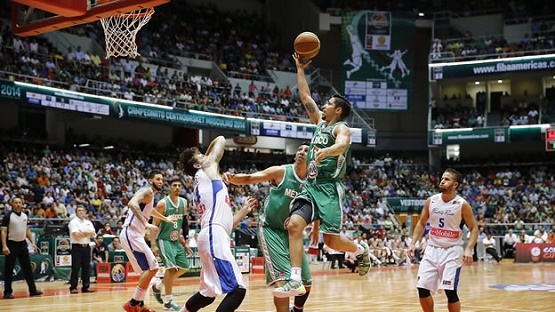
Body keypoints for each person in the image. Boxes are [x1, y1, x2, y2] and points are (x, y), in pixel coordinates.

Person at [274, 53, 370, 297]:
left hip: (329, 189)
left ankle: (360, 250)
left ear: (337, 110)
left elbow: (341, 145)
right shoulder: (319, 123)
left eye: (328, 103)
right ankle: (295, 280)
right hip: (311, 186)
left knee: (331, 242)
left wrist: (325, 151)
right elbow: (305, 96)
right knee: (295, 225)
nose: (323, 105)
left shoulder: (341, 127)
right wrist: (299, 69)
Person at [224, 143, 313, 312]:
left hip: (292, 233)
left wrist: (314, 228)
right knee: (283, 283)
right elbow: (251, 178)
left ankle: (298, 309)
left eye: (306, 150)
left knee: (306, 284)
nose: (302, 151)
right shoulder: (281, 172)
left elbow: (315, 207)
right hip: (271, 229)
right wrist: (233, 178)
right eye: (299, 149)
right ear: (295, 156)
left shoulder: (312, 182)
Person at [177, 136, 258, 312]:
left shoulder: (205, 179)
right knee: (238, 289)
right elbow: (220, 139)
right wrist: (207, 158)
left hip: (214, 233)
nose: (206, 157)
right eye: (201, 156)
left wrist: (243, 211)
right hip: (213, 236)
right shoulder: (206, 170)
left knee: (207, 294)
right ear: (199, 165)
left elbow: (225, 225)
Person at [408, 168, 478, 312]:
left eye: (447, 179)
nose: (442, 181)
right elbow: (421, 223)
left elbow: (474, 228)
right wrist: (412, 243)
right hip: (432, 249)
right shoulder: (431, 201)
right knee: (422, 288)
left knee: (450, 291)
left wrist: (469, 249)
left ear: (455, 185)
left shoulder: (462, 204)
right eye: (442, 178)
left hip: (452, 251)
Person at [121, 170, 175, 312]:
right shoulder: (147, 191)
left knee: (148, 269)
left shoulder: (150, 197)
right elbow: (132, 203)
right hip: (131, 232)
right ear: (150, 181)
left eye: (162, 180)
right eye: (157, 179)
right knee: (153, 267)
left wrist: (165, 219)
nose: (160, 182)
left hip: (134, 234)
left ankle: (139, 304)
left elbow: (149, 211)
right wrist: (145, 224)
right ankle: (133, 304)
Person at [151, 178, 193, 311]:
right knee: (171, 269)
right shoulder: (163, 204)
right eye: (174, 185)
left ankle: (158, 285)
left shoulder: (184, 202)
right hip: (164, 240)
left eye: (179, 186)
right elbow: (154, 225)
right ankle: (168, 302)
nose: (177, 188)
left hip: (176, 241)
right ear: (169, 187)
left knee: (184, 268)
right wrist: (153, 244)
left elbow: (184, 224)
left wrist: (184, 242)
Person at [1, 198, 43, 299]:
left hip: (22, 244)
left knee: (28, 268)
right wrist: (4, 246)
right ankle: (7, 292)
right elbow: (3, 232)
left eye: (20, 203)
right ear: (12, 204)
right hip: (11, 244)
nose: (18, 204)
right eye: (16, 203)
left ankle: (32, 290)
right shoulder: (8, 216)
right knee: (9, 269)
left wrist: (33, 242)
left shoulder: (24, 216)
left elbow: (27, 230)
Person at [68, 205, 96, 294]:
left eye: (83, 210)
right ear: (76, 212)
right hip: (77, 247)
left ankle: (86, 286)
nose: (81, 212)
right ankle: (73, 287)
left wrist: (82, 233)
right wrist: (87, 233)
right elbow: (76, 234)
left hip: (86, 247)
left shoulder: (88, 222)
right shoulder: (73, 222)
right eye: (79, 210)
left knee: (86, 267)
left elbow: (93, 234)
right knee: (75, 267)